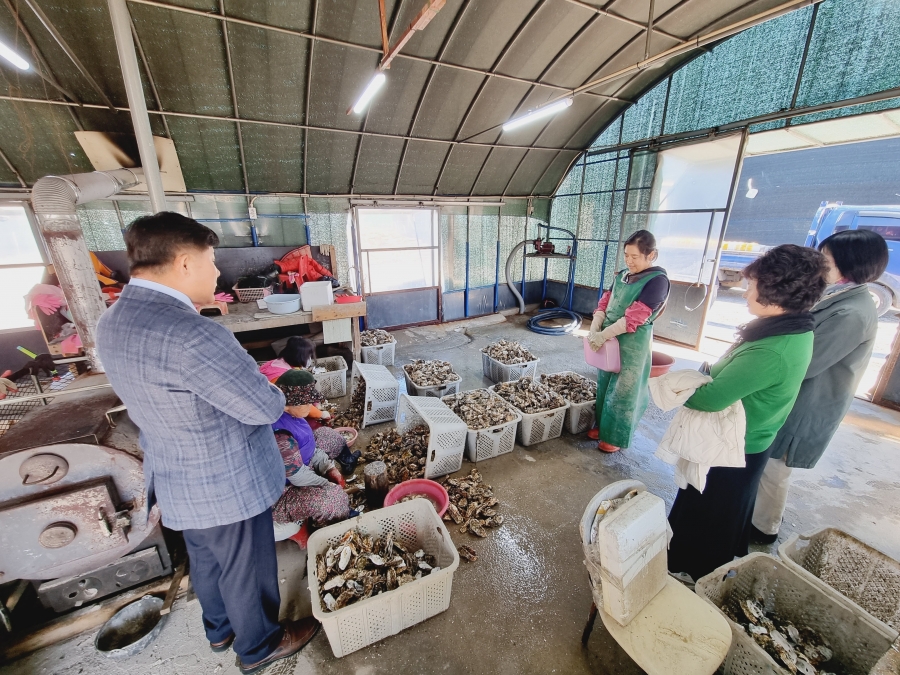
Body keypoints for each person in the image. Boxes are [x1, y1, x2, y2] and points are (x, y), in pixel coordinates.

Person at [96, 212, 318, 674]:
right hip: (225, 478)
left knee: (207, 559)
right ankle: (258, 646)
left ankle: (219, 632)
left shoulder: (112, 320)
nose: (217, 272)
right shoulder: (194, 333)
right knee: (246, 567)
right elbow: (262, 407)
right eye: (211, 260)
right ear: (182, 263)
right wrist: (273, 388)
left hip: (175, 472)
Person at [667, 244, 826, 582]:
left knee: (712, 515)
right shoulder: (790, 328)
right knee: (717, 509)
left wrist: (681, 389)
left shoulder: (773, 349)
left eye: (752, 285)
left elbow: (709, 400)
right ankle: (692, 560)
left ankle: (699, 577)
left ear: (776, 292)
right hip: (750, 439)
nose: (745, 292)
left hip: (734, 446)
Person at [750, 230, 889, 544]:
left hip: (809, 402)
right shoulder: (834, 295)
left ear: (851, 266)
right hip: (795, 396)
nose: (820, 263)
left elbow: (808, 363)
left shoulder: (852, 313)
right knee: (768, 462)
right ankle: (757, 518)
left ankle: (764, 529)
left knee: (776, 467)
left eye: (827, 259)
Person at [588, 230, 670, 452]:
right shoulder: (623, 274)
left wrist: (603, 334)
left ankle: (615, 436)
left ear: (651, 255)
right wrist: (596, 325)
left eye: (635, 257)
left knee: (625, 389)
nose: (629, 261)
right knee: (605, 382)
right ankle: (603, 427)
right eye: (626, 255)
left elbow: (636, 317)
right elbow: (606, 300)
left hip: (632, 341)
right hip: (609, 337)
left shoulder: (657, 281)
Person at [270, 371, 352, 547]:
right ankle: (317, 529)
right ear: (286, 404)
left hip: (299, 467)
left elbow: (311, 447)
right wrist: (324, 483)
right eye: (306, 402)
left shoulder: (294, 415)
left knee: (328, 435)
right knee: (333, 499)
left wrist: (328, 466)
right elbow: (298, 476)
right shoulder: (280, 434)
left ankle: (348, 462)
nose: (312, 404)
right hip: (280, 493)